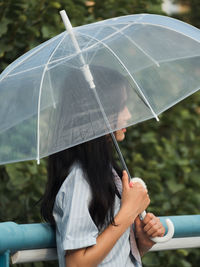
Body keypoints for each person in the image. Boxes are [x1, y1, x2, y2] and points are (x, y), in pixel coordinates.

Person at [41, 66, 165, 267]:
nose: (128, 115)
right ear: (97, 115)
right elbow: (76, 264)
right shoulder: (79, 181)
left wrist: (141, 243)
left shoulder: (107, 174)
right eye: (121, 106)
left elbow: (111, 258)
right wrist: (128, 212)